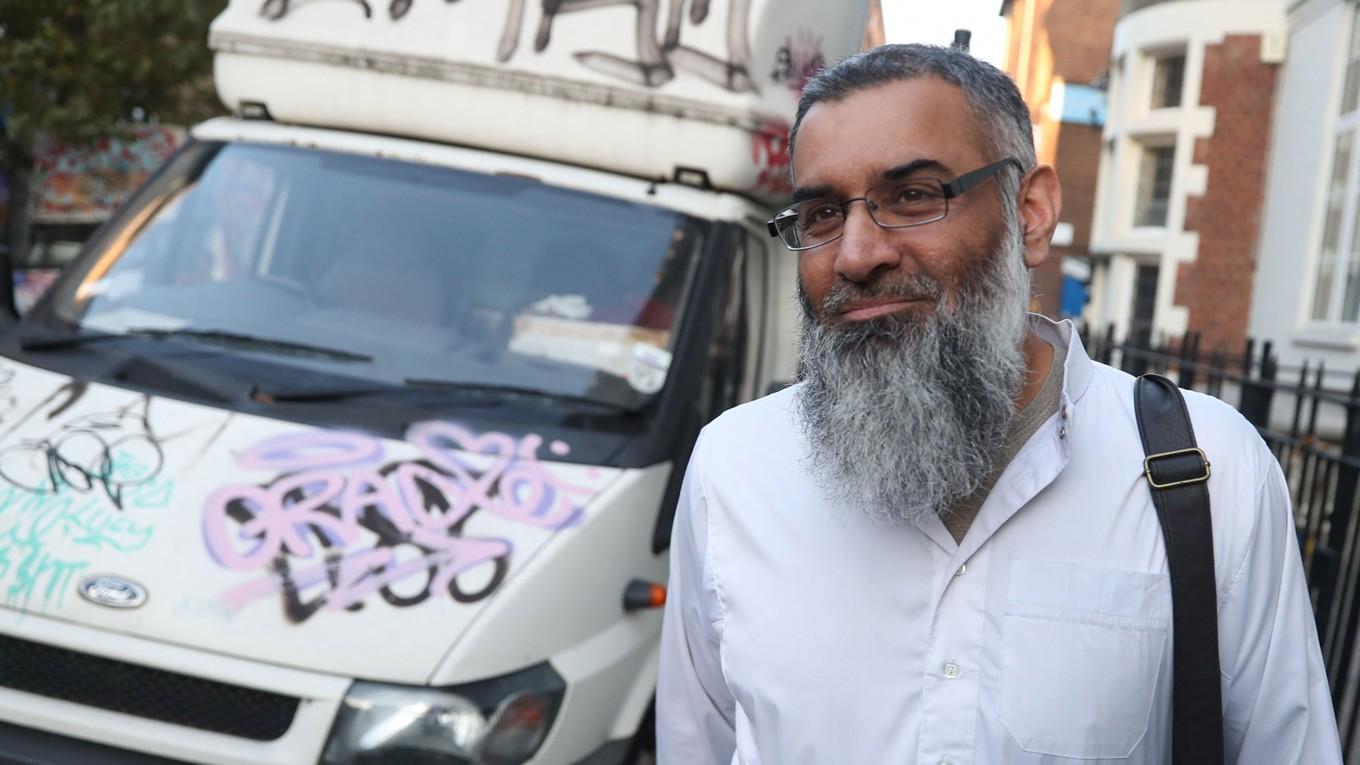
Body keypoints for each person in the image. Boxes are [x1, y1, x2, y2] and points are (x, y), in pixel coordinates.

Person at [656, 44, 1341, 764]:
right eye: (822, 213)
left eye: (915, 195)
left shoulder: (1208, 471)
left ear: (1032, 213)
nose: (856, 254)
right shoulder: (732, 469)